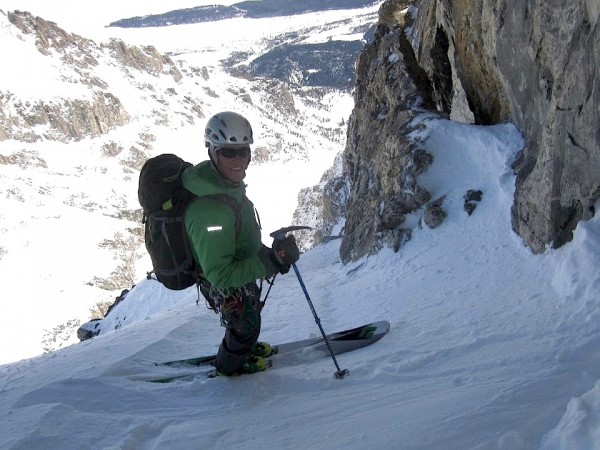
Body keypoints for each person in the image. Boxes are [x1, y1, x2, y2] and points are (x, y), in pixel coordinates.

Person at [182, 111, 300, 376]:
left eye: (243, 152)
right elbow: (221, 276)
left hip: (240, 264)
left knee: (251, 314)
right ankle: (231, 364)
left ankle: (245, 347)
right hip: (224, 278)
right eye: (227, 152)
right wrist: (270, 262)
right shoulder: (208, 211)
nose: (238, 160)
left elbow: (239, 235)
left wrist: (271, 255)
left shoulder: (224, 186)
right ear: (212, 152)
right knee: (244, 324)